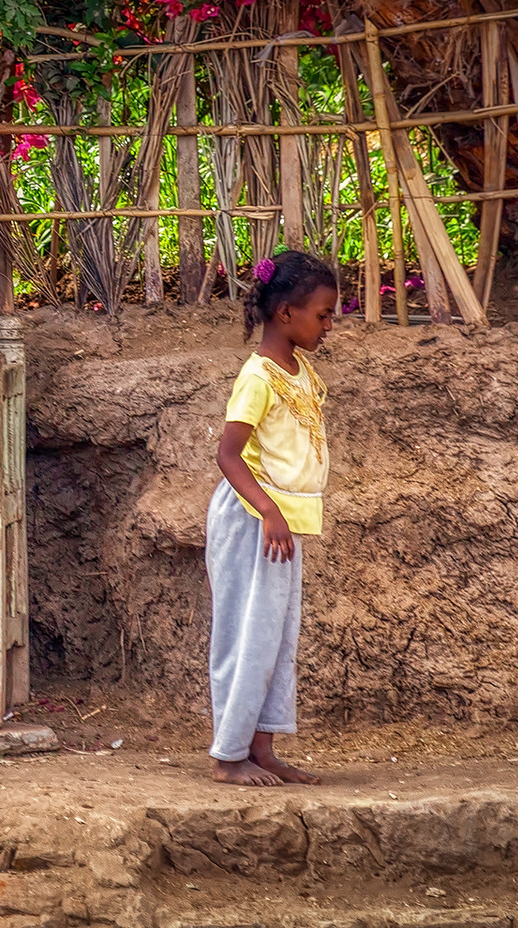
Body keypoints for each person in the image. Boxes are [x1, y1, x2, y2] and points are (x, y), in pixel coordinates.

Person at [206, 249, 337, 787]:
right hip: (251, 521)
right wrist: (267, 511)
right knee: (245, 635)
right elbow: (229, 454)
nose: (329, 324)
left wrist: (279, 515)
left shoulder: (300, 369)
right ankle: (228, 756)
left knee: (275, 638)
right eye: (323, 314)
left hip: (279, 524)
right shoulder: (257, 376)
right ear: (285, 313)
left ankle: (261, 748)